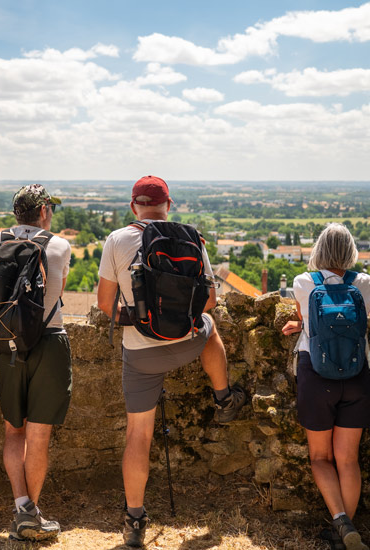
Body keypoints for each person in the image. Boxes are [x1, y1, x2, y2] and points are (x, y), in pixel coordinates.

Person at [97, 175, 247, 548]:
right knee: (210, 327)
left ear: (134, 205)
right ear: (169, 205)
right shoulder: (190, 237)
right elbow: (209, 300)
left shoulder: (117, 240)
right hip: (187, 343)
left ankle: (134, 521)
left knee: (139, 436)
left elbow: (104, 306)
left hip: (140, 353)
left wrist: (142, 321)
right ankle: (224, 397)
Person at [281, 222, 370, 550]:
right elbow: (366, 317)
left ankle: (341, 522)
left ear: (319, 250)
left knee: (321, 458)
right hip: (355, 375)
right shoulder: (365, 283)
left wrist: (299, 323)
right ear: (350, 251)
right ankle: (344, 537)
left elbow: (307, 318)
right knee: (348, 460)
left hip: (317, 374)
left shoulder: (303, 282)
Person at [0, 184, 72, 542]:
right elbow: (59, 289)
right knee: (39, 436)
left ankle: (22, 505)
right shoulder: (60, 245)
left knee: (13, 430)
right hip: (48, 340)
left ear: (15, 213)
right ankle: (31, 515)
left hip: (6, 343)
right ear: (45, 212)